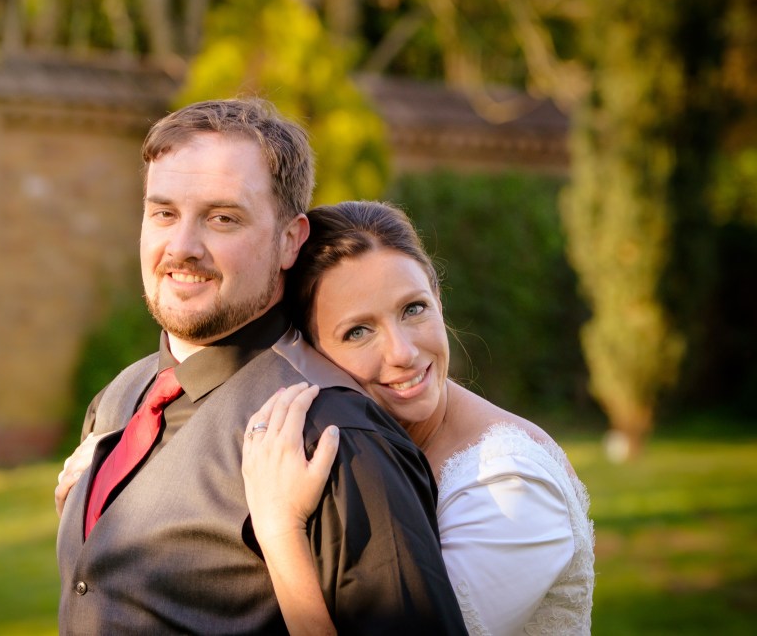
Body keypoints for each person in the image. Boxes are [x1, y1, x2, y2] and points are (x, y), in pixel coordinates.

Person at [55, 100, 467, 634]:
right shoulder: (119, 397)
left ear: (290, 240)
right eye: (163, 213)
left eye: (222, 218)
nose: (181, 247)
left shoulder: (335, 436)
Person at [240, 201, 596, 635]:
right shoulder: (356, 455)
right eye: (358, 331)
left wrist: (280, 531)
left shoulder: (511, 487)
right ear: (310, 355)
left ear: (439, 299)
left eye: (413, 309)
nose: (403, 353)